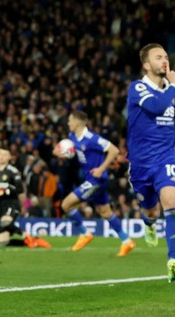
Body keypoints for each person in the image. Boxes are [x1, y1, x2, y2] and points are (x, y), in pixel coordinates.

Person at [126, 43, 175, 282]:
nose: (164, 60)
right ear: (146, 64)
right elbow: (156, 108)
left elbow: (166, 122)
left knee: (171, 202)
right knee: (151, 210)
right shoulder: (137, 88)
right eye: (158, 57)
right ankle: (149, 223)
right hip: (141, 163)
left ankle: (174, 259)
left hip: (164, 158)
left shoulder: (168, 90)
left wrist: (173, 143)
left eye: (166, 56)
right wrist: (173, 86)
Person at [53, 110, 134, 256]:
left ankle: (85, 233)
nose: (68, 122)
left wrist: (101, 168)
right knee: (105, 212)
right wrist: (60, 152)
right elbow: (70, 150)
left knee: (65, 204)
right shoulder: (72, 137)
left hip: (97, 179)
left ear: (78, 122)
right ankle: (127, 241)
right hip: (90, 178)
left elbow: (114, 150)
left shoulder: (92, 138)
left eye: (70, 120)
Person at [0, 148, 50, 248]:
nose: (1, 156)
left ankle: (25, 235)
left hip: (11, 203)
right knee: (3, 242)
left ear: (9, 157)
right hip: (0, 205)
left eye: (5, 154)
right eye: (0, 154)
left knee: (5, 222)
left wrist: (4, 191)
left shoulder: (13, 171)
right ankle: (30, 241)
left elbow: (19, 189)